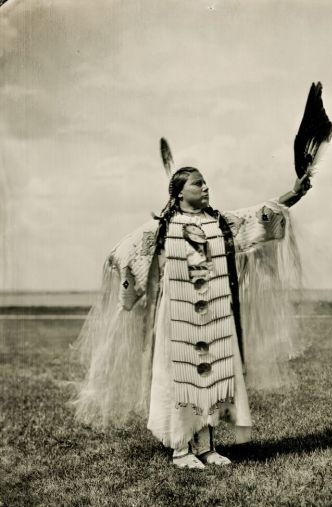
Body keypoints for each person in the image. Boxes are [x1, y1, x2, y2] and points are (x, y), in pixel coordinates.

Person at [73, 165, 312, 469]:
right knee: (182, 378)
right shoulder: (159, 228)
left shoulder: (221, 223)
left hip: (215, 314)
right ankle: (181, 449)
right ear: (179, 192)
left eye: (205, 183)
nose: (206, 187)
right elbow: (122, 257)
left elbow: (260, 216)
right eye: (198, 184)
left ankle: (206, 446)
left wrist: (295, 193)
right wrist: (126, 285)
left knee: (212, 376)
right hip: (178, 316)